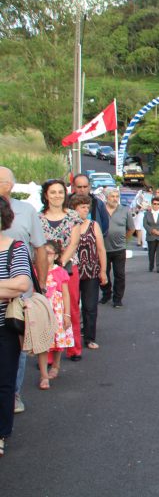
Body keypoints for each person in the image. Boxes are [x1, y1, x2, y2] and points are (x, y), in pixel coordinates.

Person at [0, 167, 47, 415]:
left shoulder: (26, 211)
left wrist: (43, 283)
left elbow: (39, 249)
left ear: (8, 184)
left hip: (19, 289)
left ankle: (13, 394)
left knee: (15, 345)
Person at [0, 196, 33, 458]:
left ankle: (1, 433)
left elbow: (22, 284)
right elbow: (12, 285)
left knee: (4, 382)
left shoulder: (16, 247)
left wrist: (11, 287)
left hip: (5, 328)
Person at [39, 179, 84, 362]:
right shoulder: (38, 218)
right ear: (46, 195)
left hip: (67, 267)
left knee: (70, 306)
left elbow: (74, 242)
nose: (57, 196)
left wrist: (60, 263)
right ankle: (48, 352)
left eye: (60, 192)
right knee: (47, 309)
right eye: (53, 192)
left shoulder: (73, 216)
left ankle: (73, 348)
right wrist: (48, 267)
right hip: (44, 268)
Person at [69, 194, 108, 351]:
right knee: (72, 306)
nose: (86, 210)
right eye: (82, 207)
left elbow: (100, 249)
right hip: (72, 272)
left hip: (91, 271)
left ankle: (90, 337)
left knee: (90, 306)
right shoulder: (70, 225)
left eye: (87, 207)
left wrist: (103, 271)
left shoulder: (93, 225)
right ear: (74, 209)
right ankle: (72, 336)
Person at [40, 240, 74, 388]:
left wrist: (67, 315)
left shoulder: (60, 272)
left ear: (56, 256)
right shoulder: (37, 270)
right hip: (41, 311)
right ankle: (43, 375)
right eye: (43, 253)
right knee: (42, 342)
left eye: (49, 253)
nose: (45, 256)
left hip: (57, 311)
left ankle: (56, 364)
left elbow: (66, 294)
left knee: (57, 339)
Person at [99, 188, 135, 308]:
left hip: (119, 248)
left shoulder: (124, 210)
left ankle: (118, 298)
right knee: (104, 273)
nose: (115, 199)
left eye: (116, 196)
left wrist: (125, 240)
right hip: (103, 249)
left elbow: (131, 228)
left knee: (119, 274)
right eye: (112, 196)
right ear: (107, 197)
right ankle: (106, 293)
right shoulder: (100, 210)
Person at [143, 197, 159, 273]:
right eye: (154, 204)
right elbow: (145, 224)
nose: (156, 205)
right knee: (151, 253)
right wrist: (152, 230)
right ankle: (151, 265)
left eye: (158, 204)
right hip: (151, 236)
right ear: (152, 204)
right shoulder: (147, 214)